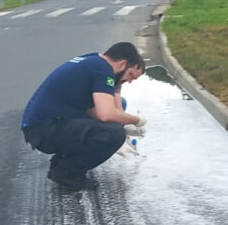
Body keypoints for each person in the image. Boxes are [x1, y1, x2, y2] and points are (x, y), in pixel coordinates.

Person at [21, 42, 147, 191]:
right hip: (45, 130)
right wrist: (137, 121)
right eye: (130, 75)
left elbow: (104, 109)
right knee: (113, 134)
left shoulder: (95, 62)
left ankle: (63, 162)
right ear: (122, 64)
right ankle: (66, 172)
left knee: (117, 116)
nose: (129, 81)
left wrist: (123, 120)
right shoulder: (103, 70)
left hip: (42, 127)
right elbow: (105, 114)